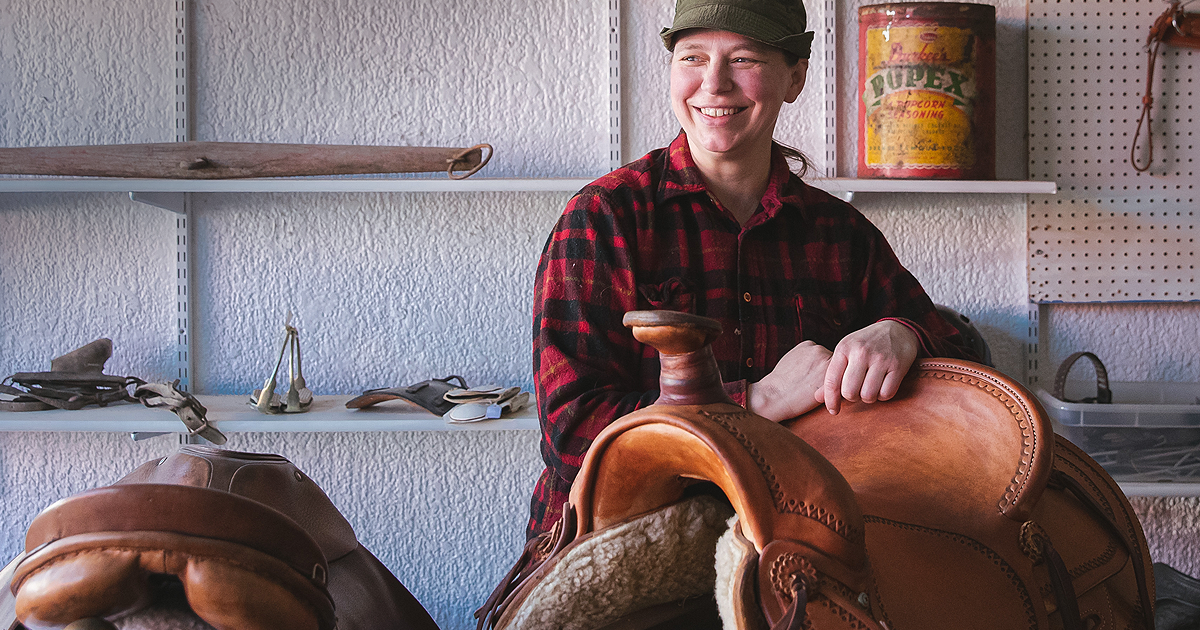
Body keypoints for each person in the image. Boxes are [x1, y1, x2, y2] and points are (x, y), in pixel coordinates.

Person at [527, 0, 977, 539]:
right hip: (618, 538)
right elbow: (573, 432)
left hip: (793, 538)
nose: (714, 84)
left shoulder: (840, 234)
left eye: (743, 59)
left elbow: (967, 376)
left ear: (795, 78)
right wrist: (756, 402)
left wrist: (900, 335)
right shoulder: (605, 218)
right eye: (693, 58)